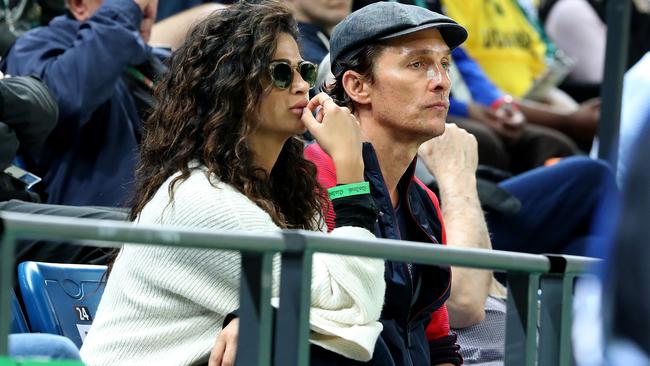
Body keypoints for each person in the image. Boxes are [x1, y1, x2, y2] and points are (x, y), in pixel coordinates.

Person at [80, 2, 386, 364]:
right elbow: (352, 303)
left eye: (303, 70)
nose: (303, 85)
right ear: (231, 85)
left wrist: (259, 316)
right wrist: (350, 168)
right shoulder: (202, 198)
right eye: (280, 73)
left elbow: (358, 312)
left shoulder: (291, 192)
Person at [0, 0, 163, 207]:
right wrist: (123, 12)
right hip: (87, 231)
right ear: (78, 4)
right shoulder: (33, 47)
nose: (140, 10)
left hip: (165, 224)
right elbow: (62, 104)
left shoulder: (158, 62)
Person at [0, 72, 57, 202]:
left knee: (109, 218)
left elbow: (43, 109)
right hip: (11, 204)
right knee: (105, 220)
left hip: (20, 197)